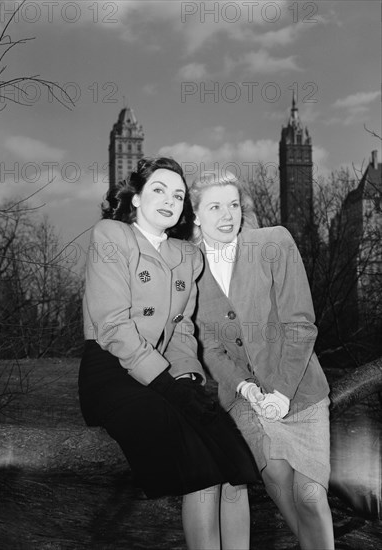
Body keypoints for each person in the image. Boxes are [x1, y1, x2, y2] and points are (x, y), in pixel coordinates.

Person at [78, 157, 258, 550]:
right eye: (158, 190)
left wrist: (188, 377)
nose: (169, 200)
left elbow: (180, 329)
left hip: (166, 376)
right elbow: (113, 326)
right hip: (112, 374)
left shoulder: (188, 256)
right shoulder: (111, 236)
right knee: (199, 466)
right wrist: (167, 385)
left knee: (233, 464)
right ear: (138, 198)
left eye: (178, 195)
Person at [190, 170, 335, 550]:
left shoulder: (274, 242)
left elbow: (300, 325)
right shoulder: (187, 272)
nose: (227, 215)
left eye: (234, 205)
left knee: (310, 496)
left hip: (300, 390)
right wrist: (246, 387)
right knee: (277, 479)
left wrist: (283, 392)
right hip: (244, 399)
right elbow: (210, 348)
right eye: (215, 206)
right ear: (195, 215)